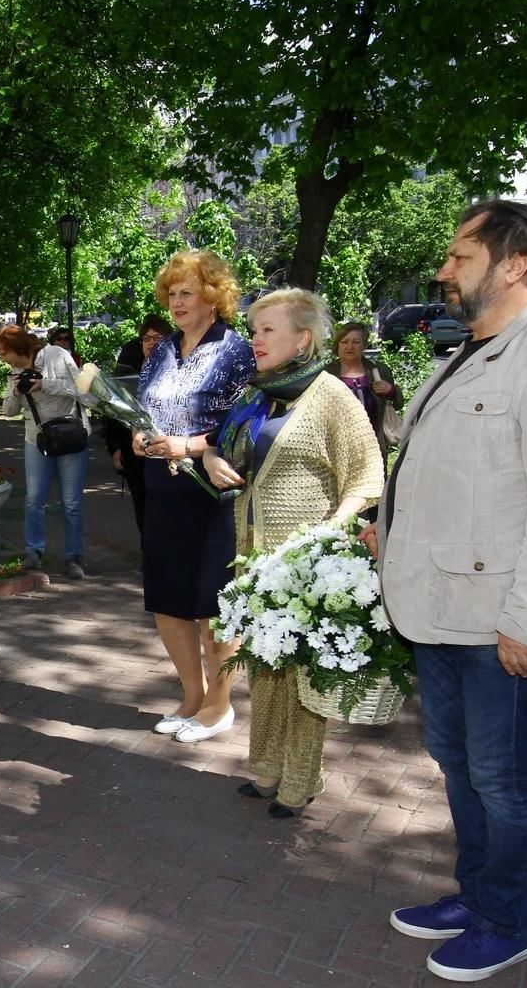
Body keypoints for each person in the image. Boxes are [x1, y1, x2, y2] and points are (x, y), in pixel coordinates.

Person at [361, 201, 527, 983]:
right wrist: (393, 534)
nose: (443, 270)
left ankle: (506, 920)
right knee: (457, 762)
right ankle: (475, 891)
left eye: (459, 256)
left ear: (514, 264)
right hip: (442, 608)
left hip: (501, 623)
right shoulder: (472, 349)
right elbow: (462, 477)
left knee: (503, 776)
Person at [202, 290, 383, 818]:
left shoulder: (331, 396)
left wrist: (330, 531)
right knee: (265, 665)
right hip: (254, 556)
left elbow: (368, 475)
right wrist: (213, 460)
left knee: (304, 674)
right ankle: (266, 769)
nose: (254, 340)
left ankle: (300, 781)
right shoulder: (258, 396)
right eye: (254, 330)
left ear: (303, 338)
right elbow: (219, 448)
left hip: (307, 562)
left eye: (267, 331)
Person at [133, 250, 255, 742]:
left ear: (213, 296)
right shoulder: (162, 351)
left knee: (214, 603)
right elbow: (142, 409)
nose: (178, 302)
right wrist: (138, 437)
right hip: (161, 488)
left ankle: (220, 705)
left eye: (188, 292)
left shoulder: (237, 351)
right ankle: (191, 696)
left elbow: (249, 423)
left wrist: (191, 444)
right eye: (173, 294)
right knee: (169, 597)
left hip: (212, 491)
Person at [0, 324, 92, 579]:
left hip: (69, 435)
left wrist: (44, 384)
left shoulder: (57, 355)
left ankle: (73, 556)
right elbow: (8, 411)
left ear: (17, 347)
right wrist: (16, 391)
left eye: (4, 353)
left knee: (71, 502)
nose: (2, 359)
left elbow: (83, 392)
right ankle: (34, 551)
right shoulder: (14, 372)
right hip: (36, 439)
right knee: (33, 499)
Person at [103, 315, 172, 534]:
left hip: (169, 454)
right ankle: (148, 558)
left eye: (157, 337)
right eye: (146, 338)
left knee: (167, 514)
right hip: (136, 455)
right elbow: (113, 411)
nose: (151, 342)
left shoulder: (180, 372)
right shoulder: (128, 371)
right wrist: (114, 448)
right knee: (142, 510)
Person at [324, 322, 403, 450]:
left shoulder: (379, 371)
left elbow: (398, 404)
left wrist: (391, 391)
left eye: (356, 342)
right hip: (337, 448)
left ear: (364, 345)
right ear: (338, 345)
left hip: (373, 447)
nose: (350, 346)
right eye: (344, 342)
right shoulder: (325, 375)